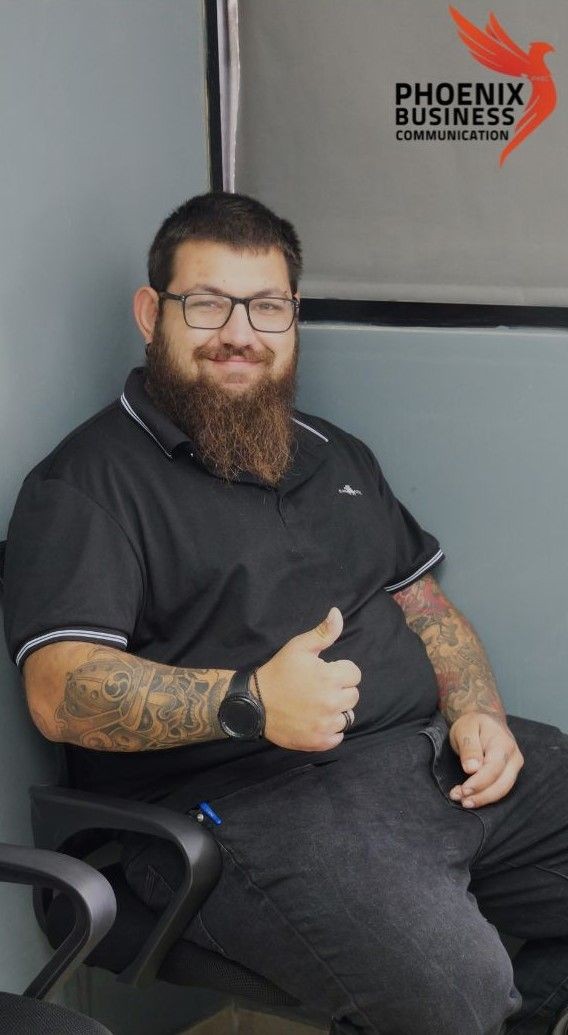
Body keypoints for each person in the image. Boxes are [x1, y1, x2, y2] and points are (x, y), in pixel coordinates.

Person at [3, 192, 568, 1035]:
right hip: (253, 807)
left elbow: (425, 605)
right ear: (151, 314)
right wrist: (253, 701)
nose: (241, 331)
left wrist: (475, 707)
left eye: (267, 306)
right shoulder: (88, 483)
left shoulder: (331, 450)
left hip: (431, 766)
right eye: (208, 303)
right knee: (455, 994)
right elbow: (60, 688)